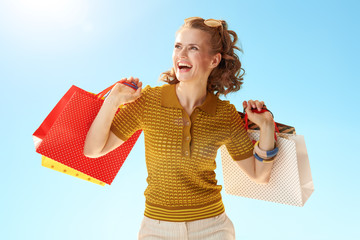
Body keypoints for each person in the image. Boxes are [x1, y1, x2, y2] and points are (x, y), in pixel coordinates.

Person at [84, 17, 277, 240]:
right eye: (178, 47)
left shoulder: (225, 115)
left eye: (193, 48)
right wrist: (113, 101)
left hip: (213, 228)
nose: (181, 55)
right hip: (156, 229)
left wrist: (267, 127)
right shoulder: (148, 101)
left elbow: (259, 175)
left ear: (214, 60)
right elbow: (93, 149)